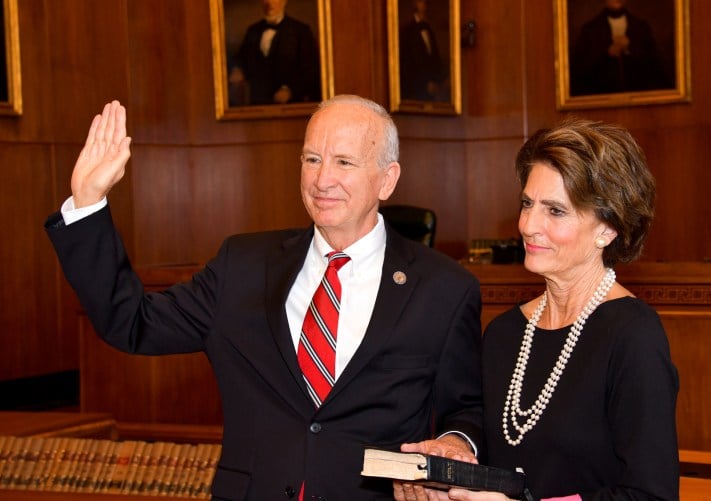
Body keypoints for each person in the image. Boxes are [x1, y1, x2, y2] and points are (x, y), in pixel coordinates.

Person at [44, 95, 483, 500]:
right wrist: (87, 202)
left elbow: (466, 408)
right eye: (312, 159)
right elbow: (132, 322)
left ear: (387, 180)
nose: (322, 179)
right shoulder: (243, 266)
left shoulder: (443, 288)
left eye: (344, 162)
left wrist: (453, 442)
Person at [394, 118, 679, 500]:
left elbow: (651, 495)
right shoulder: (506, 333)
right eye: (527, 204)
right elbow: (499, 456)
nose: (528, 225)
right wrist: (447, 471)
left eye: (555, 211)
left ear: (608, 229)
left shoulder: (632, 335)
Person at [228, 0, 320, 105]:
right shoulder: (252, 31)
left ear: (284, 1)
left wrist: (290, 91)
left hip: (291, 107)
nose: (269, 3)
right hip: (257, 106)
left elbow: (311, 70)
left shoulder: (301, 31)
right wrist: (236, 69)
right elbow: (240, 58)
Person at [570, 0, 670, 96]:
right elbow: (579, 73)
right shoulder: (590, 30)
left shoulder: (641, 27)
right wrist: (606, 53)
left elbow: (656, 70)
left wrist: (630, 48)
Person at [399, 0, 447, 101]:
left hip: (433, 89)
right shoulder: (408, 30)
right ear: (415, 3)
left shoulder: (429, 29)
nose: (424, 4)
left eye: (426, 2)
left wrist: (437, 81)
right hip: (415, 88)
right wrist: (425, 83)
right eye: (421, 1)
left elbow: (434, 58)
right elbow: (407, 63)